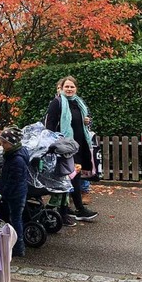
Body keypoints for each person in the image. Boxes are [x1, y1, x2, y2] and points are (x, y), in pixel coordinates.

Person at [44, 76, 98, 222]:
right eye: (66, 86)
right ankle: (70, 210)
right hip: (64, 148)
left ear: (76, 88)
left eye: (72, 87)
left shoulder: (78, 103)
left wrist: (87, 121)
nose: (69, 89)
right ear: (61, 88)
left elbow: (86, 121)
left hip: (78, 146)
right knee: (68, 178)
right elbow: (49, 124)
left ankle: (70, 210)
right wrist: (54, 144)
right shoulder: (57, 103)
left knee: (75, 176)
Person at [0, 126, 29, 257]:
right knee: (14, 218)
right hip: (15, 191)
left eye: (4, 142)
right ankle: (15, 244)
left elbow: (13, 180)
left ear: (12, 143)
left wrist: (3, 191)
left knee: (15, 219)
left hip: (15, 194)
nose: (2, 145)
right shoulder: (12, 155)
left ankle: (18, 246)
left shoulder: (17, 159)